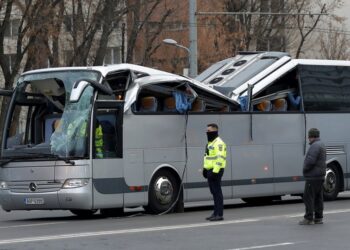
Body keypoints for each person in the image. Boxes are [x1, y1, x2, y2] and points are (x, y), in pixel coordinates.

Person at [299, 128, 326, 225]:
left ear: (312, 136)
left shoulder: (314, 146)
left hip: (313, 176)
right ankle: (318, 218)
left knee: (308, 197)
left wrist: (305, 169)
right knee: (318, 197)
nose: (308, 139)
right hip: (320, 176)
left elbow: (310, 161)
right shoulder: (321, 144)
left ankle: (308, 218)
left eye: (309, 136)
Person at [203, 123, 227, 221]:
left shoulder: (219, 143)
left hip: (216, 171)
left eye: (209, 131)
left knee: (217, 192)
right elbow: (207, 157)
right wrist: (205, 169)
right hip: (210, 170)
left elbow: (220, 158)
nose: (207, 133)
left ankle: (219, 214)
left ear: (215, 131)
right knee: (214, 192)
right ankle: (215, 213)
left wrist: (215, 171)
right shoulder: (210, 143)